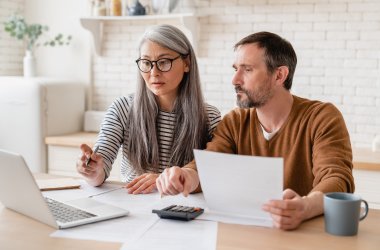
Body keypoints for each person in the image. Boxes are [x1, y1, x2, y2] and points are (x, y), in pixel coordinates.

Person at [156, 31, 355, 230]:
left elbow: (337, 179)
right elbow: (209, 165)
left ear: (279, 75)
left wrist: (305, 206)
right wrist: (185, 176)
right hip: (249, 232)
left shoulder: (321, 117)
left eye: (247, 70)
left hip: (304, 234)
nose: (235, 79)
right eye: (235, 69)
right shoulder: (235, 121)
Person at [76, 24, 221, 194]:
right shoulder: (123, 108)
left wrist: (164, 180)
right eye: (146, 63)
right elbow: (100, 170)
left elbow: (214, 176)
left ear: (186, 63)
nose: (154, 72)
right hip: (134, 207)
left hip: (184, 210)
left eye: (164, 62)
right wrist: (92, 170)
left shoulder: (209, 116)